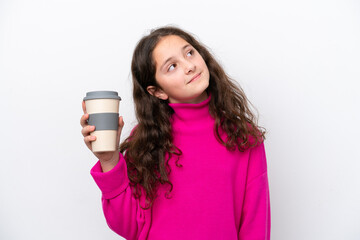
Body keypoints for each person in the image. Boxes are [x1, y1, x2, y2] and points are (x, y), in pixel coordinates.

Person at [80, 26, 271, 240]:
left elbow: (255, 225)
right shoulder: (145, 142)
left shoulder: (244, 137)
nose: (189, 66)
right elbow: (129, 227)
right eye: (172, 66)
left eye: (189, 52)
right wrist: (109, 160)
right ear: (158, 91)